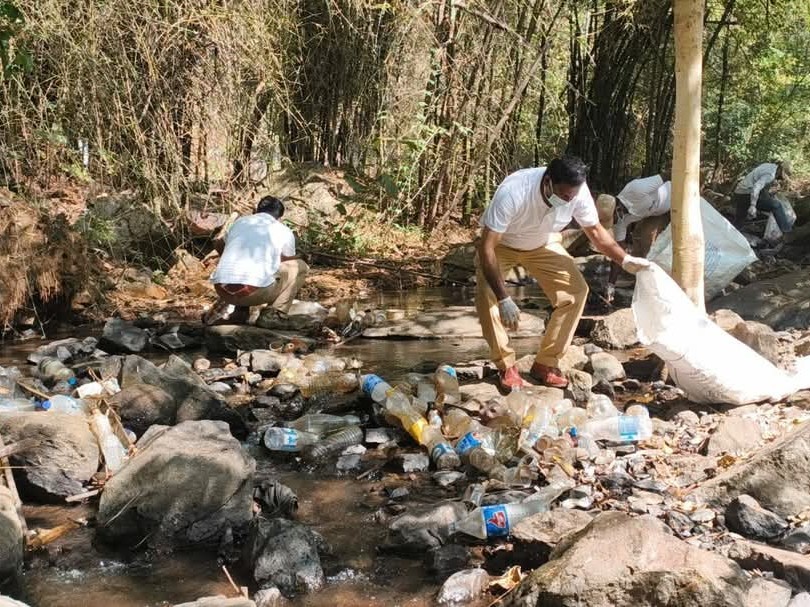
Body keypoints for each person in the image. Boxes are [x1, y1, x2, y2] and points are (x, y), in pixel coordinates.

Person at [476, 155, 650, 392]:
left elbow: (596, 233)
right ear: (548, 181)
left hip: (543, 242)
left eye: (572, 196)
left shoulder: (578, 192)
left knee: (576, 291)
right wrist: (504, 298)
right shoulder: (515, 191)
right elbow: (487, 247)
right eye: (564, 195)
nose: (568, 200)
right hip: (502, 245)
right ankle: (506, 366)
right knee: (488, 296)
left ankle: (546, 363)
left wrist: (626, 260)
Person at [205, 195, 309, 325]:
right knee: (300, 266)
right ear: (279, 216)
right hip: (252, 293)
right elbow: (286, 260)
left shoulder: (239, 223)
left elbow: (223, 244)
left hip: (222, 290)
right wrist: (301, 257)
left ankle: (239, 313)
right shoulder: (283, 230)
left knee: (247, 265)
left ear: (257, 210)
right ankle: (274, 314)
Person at [605, 174, 672, 302]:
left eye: (611, 219)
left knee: (646, 237)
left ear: (617, 209)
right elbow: (619, 251)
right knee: (638, 238)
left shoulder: (636, 188)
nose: (613, 223)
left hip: (674, 199)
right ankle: (643, 280)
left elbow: (667, 175)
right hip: (656, 212)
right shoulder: (619, 221)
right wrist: (611, 284)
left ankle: (657, 284)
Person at [733, 161, 793, 233]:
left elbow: (760, 184)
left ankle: (733, 231)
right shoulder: (770, 175)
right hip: (747, 194)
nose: (779, 178)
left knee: (739, 221)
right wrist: (753, 205)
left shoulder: (768, 165)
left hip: (739, 191)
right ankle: (787, 232)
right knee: (776, 205)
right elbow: (756, 187)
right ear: (780, 170)